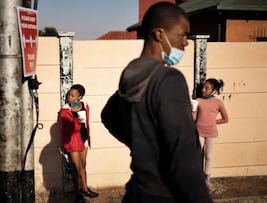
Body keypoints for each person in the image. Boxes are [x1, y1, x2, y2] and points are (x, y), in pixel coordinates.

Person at [101, 2, 213, 202]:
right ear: (159, 34)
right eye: (183, 34)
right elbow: (184, 154)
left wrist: (143, 146)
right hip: (165, 194)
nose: (186, 42)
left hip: (138, 190)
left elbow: (108, 115)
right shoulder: (169, 79)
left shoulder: (132, 73)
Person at [60, 84, 99, 199]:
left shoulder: (85, 106)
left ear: (80, 97)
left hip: (84, 139)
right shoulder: (65, 110)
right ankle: (84, 190)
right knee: (78, 167)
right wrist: (75, 122)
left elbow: (86, 123)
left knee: (83, 165)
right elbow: (65, 129)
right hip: (73, 141)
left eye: (73, 96)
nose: (69, 98)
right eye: (69, 95)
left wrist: (87, 137)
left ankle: (78, 191)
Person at [192, 78, 229, 193]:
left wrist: (214, 122)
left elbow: (225, 119)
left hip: (211, 133)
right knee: (196, 155)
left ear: (214, 90)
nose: (203, 90)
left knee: (208, 156)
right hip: (199, 131)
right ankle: (195, 181)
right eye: (203, 87)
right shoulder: (198, 101)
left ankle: (207, 181)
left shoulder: (218, 103)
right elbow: (193, 118)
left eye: (207, 88)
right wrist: (192, 109)